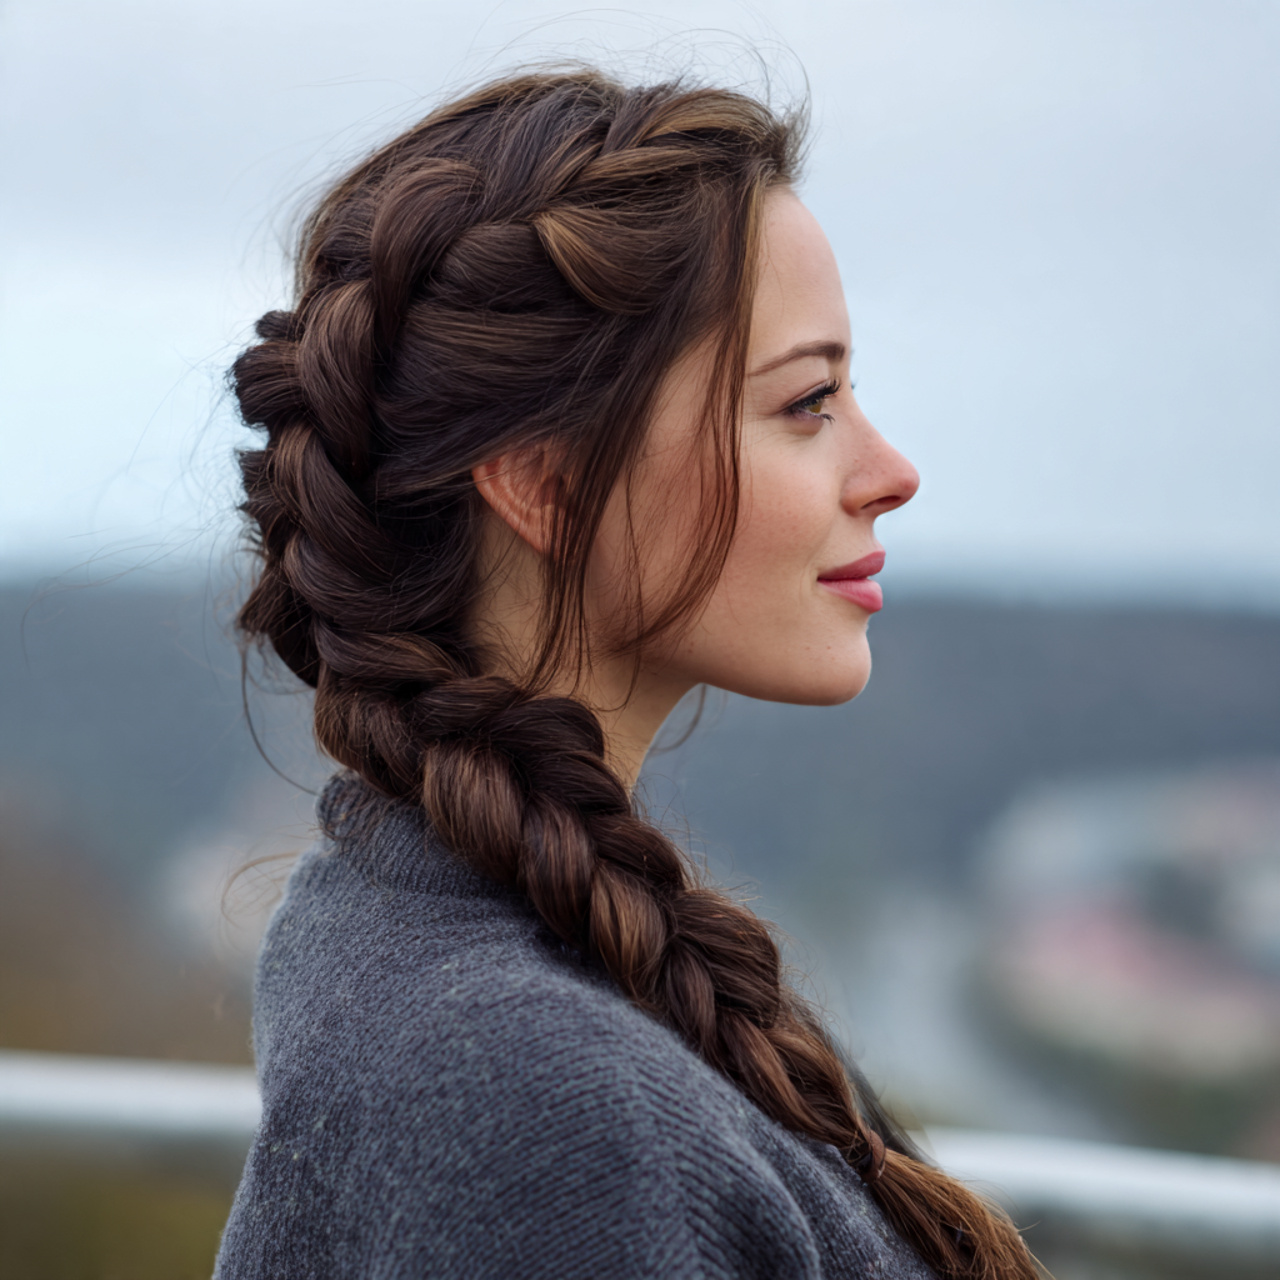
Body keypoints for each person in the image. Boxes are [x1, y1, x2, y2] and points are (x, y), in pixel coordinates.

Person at [214, 67, 1039, 1279]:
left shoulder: (454, 936)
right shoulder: (542, 1102)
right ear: (541, 482)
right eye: (807, 401)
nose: (890, 468)